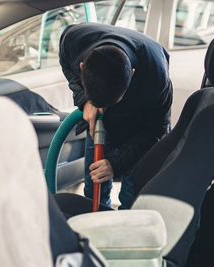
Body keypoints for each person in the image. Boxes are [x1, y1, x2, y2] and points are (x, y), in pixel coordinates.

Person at [59, 23, 172, 209]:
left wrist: (115, 164)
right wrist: (84, 100)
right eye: (98, 103)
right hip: (100, 121)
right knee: (93, 194)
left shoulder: (156, 74)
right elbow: (67, 65)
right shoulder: (74, 40)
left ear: (132, 74)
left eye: (112, 102)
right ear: (82, 66)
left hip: (141, 127)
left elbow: (157, 129)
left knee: (132, 197)